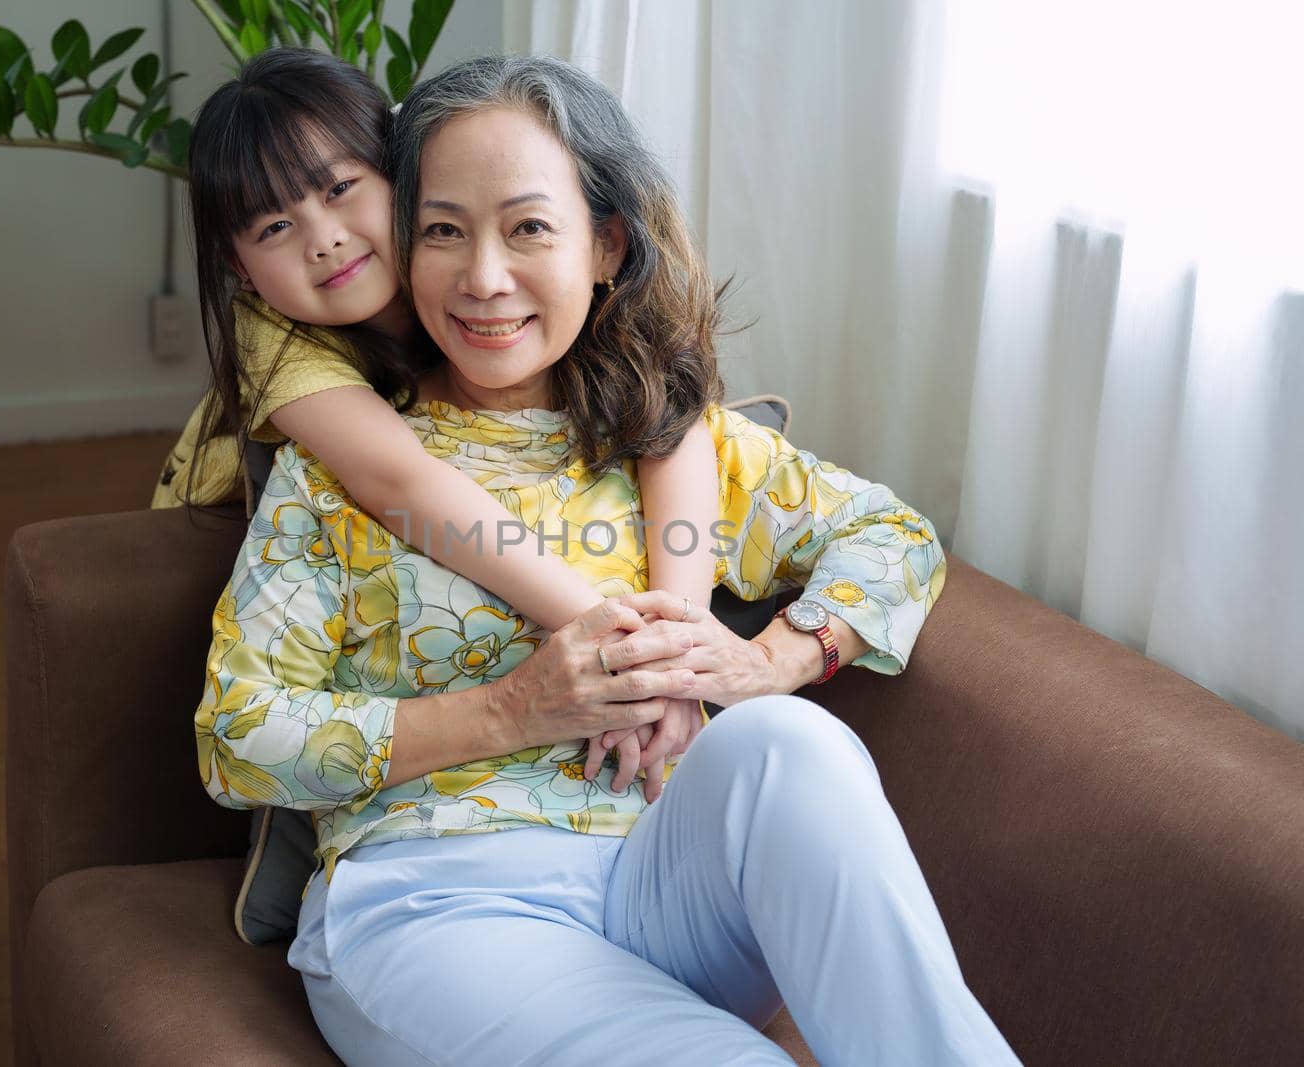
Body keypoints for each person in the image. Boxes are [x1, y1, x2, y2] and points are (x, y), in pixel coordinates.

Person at [194, 53, 1017, 1066]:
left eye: (529, 227)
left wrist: (769, 663)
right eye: (444, 230)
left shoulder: (678, 440)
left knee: (789, 749)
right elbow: (236, 736)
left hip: (663, 880)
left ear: (604, 243)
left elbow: (893, 538)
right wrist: (513, 707)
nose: (483, 277)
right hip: (439, 902)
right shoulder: (339, 475)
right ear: (407, 245)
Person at [162, 48, 721, 794]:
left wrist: (676, 644)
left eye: (338, 189)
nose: (321, 237)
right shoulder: (273, 331)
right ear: (238, 267)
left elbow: (669, 416)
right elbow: (400, 477)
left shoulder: (480, 278)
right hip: (224, 532)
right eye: (273, 228)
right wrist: (620, 645)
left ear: (401, 175)